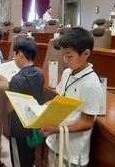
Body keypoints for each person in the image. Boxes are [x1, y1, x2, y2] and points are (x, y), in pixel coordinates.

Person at [40, 27, 103, 167]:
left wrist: (56, 129)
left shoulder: (91, 84)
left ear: (86, 53)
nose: (65, 60)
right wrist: (49, 105)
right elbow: (62, 98)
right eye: (63, 55)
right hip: (55, 143)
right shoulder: (68, 73)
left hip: (73, 153)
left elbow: (87, 122)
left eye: (69, 56)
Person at [6, 37, 44, 167]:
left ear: (20, 54)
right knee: (29, 159)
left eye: (14, 54)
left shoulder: (16, 80)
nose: (13, 57)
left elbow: (9, 108)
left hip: (18, 129)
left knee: (18, 161)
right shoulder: (40, 74)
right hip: (33, 124)